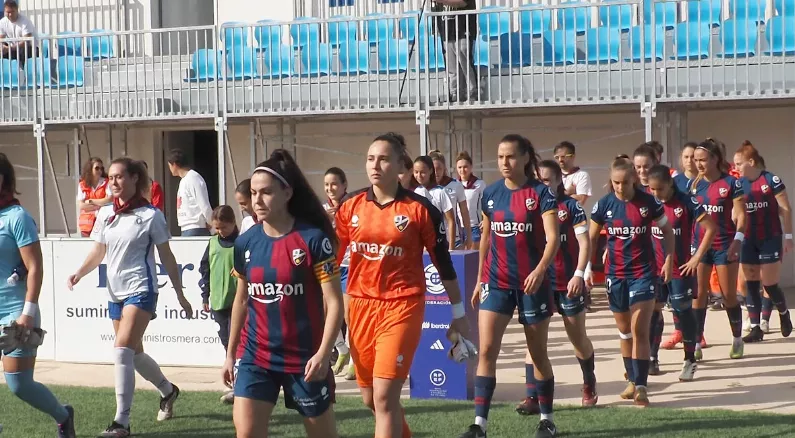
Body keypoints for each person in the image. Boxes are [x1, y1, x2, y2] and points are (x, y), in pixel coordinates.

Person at [335, 133, 469, 438]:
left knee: (384, 397)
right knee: (373, 400)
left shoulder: (420, 209)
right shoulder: (350, 207)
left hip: (401, 306)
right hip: (359, 307)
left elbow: (443, 262)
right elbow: (330, 263)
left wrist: (459, 312)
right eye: (370, 158)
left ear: (400, 165)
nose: (375, 165)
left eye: (383, 158)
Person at [221, 150, 344, 438]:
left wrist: (324, 354)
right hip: (256, 356)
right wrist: (230, 355)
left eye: (266, 192)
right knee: (247, 432)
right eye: (253, 193)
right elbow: (241, 300)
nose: (257, 200)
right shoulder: (246, 243)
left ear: (287, 193)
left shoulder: (314, 240)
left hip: (306, 360)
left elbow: (335, 303)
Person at [67, 158, 192, 438]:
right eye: (110, 177)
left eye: (119, 177)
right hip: (115, 292)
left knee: (121, 349)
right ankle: (168, 390)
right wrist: (79, 273)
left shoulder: (151, 215)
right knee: (134, 355)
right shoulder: (106, 213)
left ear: (135, 179)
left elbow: (167, 257)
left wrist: (180, 294)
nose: (113, 182)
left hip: (141, 288)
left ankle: (121, 422)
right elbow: (98, 252)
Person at [459, 135, 560, 438]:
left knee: (537, 352)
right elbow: (485, 240)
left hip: (532, 284)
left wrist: (541, 270)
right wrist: (479, 280)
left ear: (526, 158)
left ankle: (547, 419)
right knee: (487, 350)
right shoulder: (490, 194)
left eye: (511, 157)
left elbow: (553, 238)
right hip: (496, 282)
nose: (505, 163)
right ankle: (479, 425)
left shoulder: (541, 193)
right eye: (500, 157)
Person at [0, 153, 76, 437]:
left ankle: (63, 415)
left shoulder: (17, 217)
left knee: (19, 384)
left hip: (15, 311)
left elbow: (35, 266)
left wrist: (28, 312)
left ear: (4, 180)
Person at [589, 156, 675, 407]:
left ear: (635, 180)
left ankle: (641, 386)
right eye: (615, 182)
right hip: (615, 275)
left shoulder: (648, 203)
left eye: (625, 182)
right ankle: (631, 378)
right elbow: (591, 239)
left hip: (643, 273)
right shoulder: (603, 205)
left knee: (639, 330)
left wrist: (668, 260)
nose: (620, 187)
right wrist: (584, 270)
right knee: (625, 331)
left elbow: (667, 231)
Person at [516, 159, 596, 417]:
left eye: (547, 180)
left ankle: (588, 382)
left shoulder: (571, 207)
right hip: (541, 282)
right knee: (534, 342)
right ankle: (532, 395)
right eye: (539, 180)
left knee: (578, 339)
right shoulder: (530, 206)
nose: (543, 185)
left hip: (568, 282)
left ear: (560, 181)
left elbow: (585, 243)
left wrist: (579, 275)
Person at [647, 164, 717, 381]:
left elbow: (711, 228)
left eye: (660, 189)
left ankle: (689, 359)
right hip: (654, 269)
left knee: (683, 313)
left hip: (680, 269)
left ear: (670, 184)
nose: (656, 194)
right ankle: (651, 358)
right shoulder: (649, 204)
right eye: (652, 190)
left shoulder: (687, 202)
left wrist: (696, 258)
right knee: (653, 312)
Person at [691, 138, 747, 360]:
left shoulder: (731, 184)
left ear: (715, 159)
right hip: (700, 247)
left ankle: (737, 339)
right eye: (696, 160)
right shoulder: (693, 185)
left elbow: (741, 215)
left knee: (728, 296)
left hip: (724, 245)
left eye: (703, 160)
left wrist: (738, 239)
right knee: (698, 295)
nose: (699, 164)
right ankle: (695, 343)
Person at [733, 142, 793, 342]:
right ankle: (756, 327)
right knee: (750, 281)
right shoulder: (739, 185)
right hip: (748, 238)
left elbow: (786, 209)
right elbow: (736, 212)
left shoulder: (771, 180)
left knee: (769, 283)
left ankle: (784, 313)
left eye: (739, 164)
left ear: (751, 162)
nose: (736, 168)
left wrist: (788, 236)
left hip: (770, 237)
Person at [198, 205, 239, 404]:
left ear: (232, 223)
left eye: (223, 227)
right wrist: (205, 295)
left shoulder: (241, 243)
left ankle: (241, 387)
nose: (219, 231)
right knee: (226, 342)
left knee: (237, 343)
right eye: (216, 228)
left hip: (239, 302)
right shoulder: (212, 242)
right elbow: (204, 269)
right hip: (218, 301)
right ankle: (234, 383)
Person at [632, 145, 667, 376]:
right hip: (637, 259)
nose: (643, 171)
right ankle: (636, 359)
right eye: (638, 167)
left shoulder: (665, 189)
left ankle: (653, 356)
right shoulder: (630, 191)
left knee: (655, 308)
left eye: (647, 166)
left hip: (661, 258)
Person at [322, 167, 355, 381]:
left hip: (350, 265)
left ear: (344, 185)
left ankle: (355, 361)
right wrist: (324, 220)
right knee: (326, 313)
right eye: (326, 185)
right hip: (328, 267)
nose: (330, 188)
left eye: (334, 183)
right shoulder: (322, 210)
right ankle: (342, 349)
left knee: (348, 316)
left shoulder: (352, 206)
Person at [432, 0, 479, 102]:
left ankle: (472, 91)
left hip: (464, 31)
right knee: (451, 67)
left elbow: (461, 3)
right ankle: (455, 93)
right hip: (447, 32)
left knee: (465, 63)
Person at [430, 150, 473, 249]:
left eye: (439, 168)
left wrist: (469, 236)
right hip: (432, 240)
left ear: (444, 168)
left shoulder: (455, 185)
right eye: (433, 169)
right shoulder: (424, 188)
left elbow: (464, 211)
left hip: (454, 239)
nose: (436, 172)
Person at [166, 148, 214, 237]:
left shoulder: (193, 178)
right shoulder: (183, 180)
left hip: (196, 228)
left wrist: (212, 224)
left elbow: (203, 203)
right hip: (185, 228)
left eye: (169, 166)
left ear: (175, 164)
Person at [414, 155, 457, 251]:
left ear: (430, 171)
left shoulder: (440, 192)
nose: (419, 175)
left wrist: (451, 248)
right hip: (421, 247)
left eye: (423, 172)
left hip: (439, 245)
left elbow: (451, 220)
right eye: (416, 172)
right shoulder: (416, 191)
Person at [456, 151, 486, 249]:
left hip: (474, 227)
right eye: (459, 167)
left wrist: (485, 220)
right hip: (458, 228)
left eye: (465, 167)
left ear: (471, 167)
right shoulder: (454, 185)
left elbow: (485, 204)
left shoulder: (479, 184)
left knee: (472, 259)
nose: (462, 170)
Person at [77, 157, 112, 238]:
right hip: (86, 225)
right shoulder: (82, 184)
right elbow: (82, 206)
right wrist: (100, 205)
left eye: (101, 168)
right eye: (97, 168)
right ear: (90, 169)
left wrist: (90, 201)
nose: (100, 171)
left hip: (102, 222)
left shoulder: (106, 183)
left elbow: (109, 200)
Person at [0, 1, 38, 70]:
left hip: (30, 49)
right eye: (8, 12)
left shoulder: (25, 21)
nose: (10, 14)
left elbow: (26, 42)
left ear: (17, 10)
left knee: (25, 50)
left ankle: (27, 75)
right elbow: (1, 39)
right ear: (4, 11)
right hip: (13, 48)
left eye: (12, 12)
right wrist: (2, 47)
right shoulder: (2, 22)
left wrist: (9, 48)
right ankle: (5, 75)